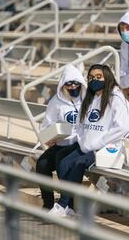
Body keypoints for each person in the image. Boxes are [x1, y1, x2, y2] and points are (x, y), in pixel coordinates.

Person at [49, 64, 129, 217]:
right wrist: (81, 139)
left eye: (98, 77)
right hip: (87, 145)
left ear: (107, 77)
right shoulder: (92, 97)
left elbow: (122, 128)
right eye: (91, 77)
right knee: (62, 159)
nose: (94, 80)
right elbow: (81, 124)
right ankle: (69, 207)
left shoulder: (116, 98)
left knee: (78, 164)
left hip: (105, 148)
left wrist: (98, 143)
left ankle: (62, 204)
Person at [35, 64, 86, 210]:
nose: (72, 86)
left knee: (63, 162)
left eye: (76, 83)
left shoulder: (87, 100)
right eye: (68, 83)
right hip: (61, 143)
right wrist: (51, 136)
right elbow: (45, 126)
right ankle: (48, 203)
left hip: (79, 144)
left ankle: (69, 205)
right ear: (63, 84)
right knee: (42, 164)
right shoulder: (55, 102)